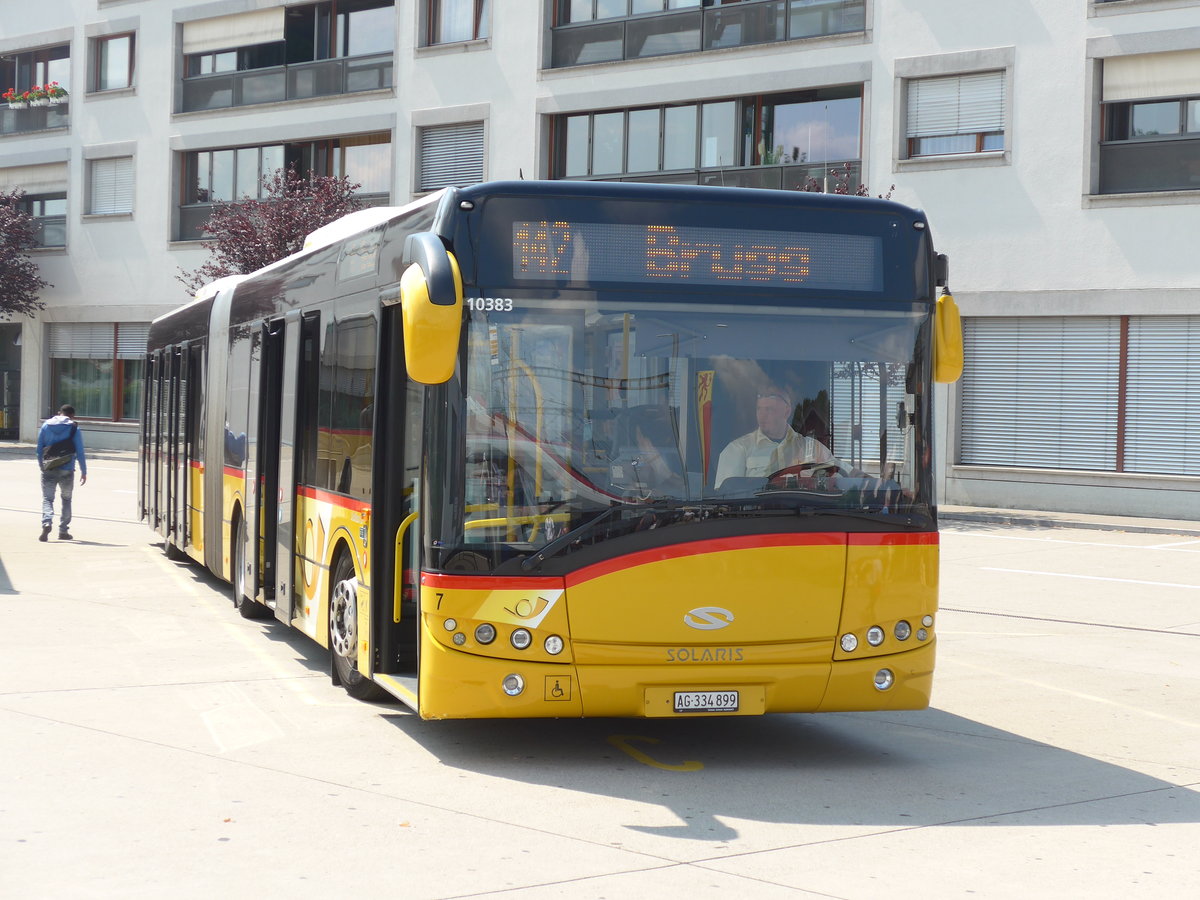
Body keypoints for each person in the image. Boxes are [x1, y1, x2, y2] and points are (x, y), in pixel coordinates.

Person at [714, 387, 838, 488]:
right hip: (755, 517)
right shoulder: (738, 449)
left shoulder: (813, 449)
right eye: (759, 409)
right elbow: (726, 499)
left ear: (787, 412)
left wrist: (856, 475)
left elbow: (843, 477)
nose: (762, 416)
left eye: (769, 410)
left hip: (805, 516)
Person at [36, 404, 87, 541]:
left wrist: (41, 465)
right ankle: (63, 531)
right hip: (67, 469)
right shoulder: (74, 428)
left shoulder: (46, 425)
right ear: (72, 416)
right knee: (66, 499)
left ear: (59, 413)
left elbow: (39, 448)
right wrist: (84, 471)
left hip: (49, 468)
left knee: (48, 498)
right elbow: (80, 451)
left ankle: (47, 522)